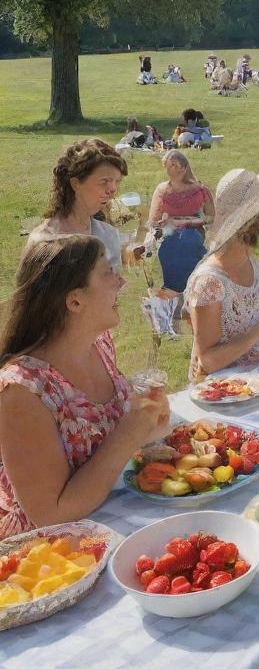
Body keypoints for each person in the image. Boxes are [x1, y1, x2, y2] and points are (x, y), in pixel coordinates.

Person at [0, 236, 170, 539]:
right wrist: (129, 432)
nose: (122, 283)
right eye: (108, 273)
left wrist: (150, 424)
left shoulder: (100, 344)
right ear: (75, 300)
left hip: (118, 518)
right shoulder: (23, 389)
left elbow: (104, 445)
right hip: (57, 559)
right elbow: (50, 514)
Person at [184, 169, 259, 381]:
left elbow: (250, 316)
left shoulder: (251, 262)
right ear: (249, 224)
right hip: (226, 397)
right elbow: (208, 361)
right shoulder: (210, 282)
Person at [29, 139, 128, 270]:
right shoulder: (45, 240)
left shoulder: (108, 235)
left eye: (117, 182)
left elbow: (112, 288)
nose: (112, 190)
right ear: (75, 183)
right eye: (104, 181)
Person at [148, 151, 215, 293]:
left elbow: (212, 220)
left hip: (195, 241)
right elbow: (153, 222)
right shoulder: (162, 190)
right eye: (167, 165)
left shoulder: (201, 190)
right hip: (169, 241)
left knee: (196, 286)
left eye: (174, 165)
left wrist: (186, 222)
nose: (170, 168)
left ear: (184, 167)